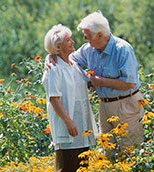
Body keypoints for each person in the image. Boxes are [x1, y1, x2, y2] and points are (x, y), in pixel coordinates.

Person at [46, 11, 144, 150]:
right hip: (105, 106)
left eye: (87, 36)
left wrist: (101, 81)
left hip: (127, 104)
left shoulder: (123, 49)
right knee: (108, 150)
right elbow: (68, 59)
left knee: (129, 150)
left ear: (100, 35)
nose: (85, 38)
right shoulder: (88, 49)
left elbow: (130, 83)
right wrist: (51, 56)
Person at [42, 24, 97, 172]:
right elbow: (54, 98)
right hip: (68, 127)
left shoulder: (74, 65)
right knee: (66, 167)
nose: (73, 42)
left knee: (82, 168)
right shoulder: (53, 69)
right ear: (58, 47)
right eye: (68, 40)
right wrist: (68, 121)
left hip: (81, 127)